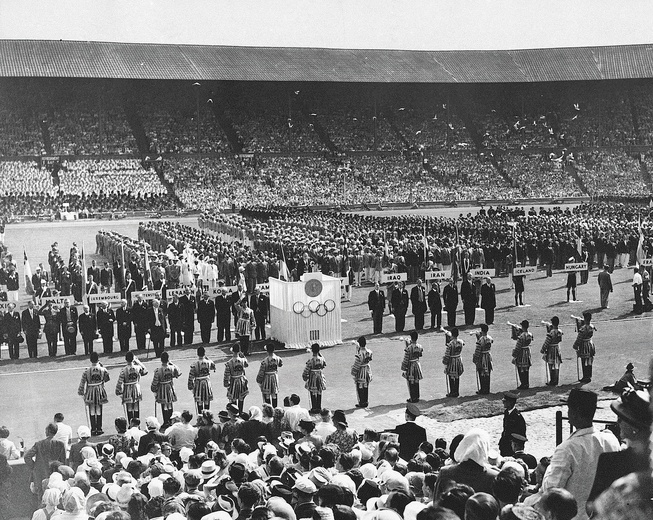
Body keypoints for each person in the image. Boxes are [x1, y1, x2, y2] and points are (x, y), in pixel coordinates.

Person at [526, 389, 619, 520]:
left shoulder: (567, 449)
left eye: (569, 409)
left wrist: (545, 471)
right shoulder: (611, 440)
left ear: (575, 413)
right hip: (603, 514)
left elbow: (551, 490)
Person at [587, 387, 652, 508]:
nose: (618, 423)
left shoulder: (611, 462)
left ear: (635, 428)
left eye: (621, 418)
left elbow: (593, 507)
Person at [23, 423, 66, 497]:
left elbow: (27, 456)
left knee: (41, 498)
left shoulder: (39, 444)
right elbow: (63, 461)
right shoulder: (61, 444)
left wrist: (34, 467)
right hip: (56, 475)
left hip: (41, 475)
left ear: (48, 431)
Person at [78, 352, 110, 436]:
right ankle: (99, 428)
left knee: (92, 408)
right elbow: (107, 378)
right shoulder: (103, 369)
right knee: (99, 408)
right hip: (99, 389)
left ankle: (93, 429)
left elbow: (82, 383)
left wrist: (81, 392)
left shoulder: (87, 370)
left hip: (90, 390)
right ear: (98, 359)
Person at [151, 351, 182, 428]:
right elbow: (179, 372)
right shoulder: (172, 368)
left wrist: (154, 389)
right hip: (170, 386)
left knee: (164, 405)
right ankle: (170, 421)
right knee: (170, 404)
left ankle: (166, 421)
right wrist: (171, 363)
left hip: (162, 387)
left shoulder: (158, 370)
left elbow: (155, 382)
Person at [115, 351, 148, 421]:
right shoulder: (138, 367)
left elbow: (119, 382)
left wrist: (118, 390)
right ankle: (137, 424)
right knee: (136, 406)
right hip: (136, 387)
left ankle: (131, 424)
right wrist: (138, 361)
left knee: (129, 406)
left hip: (127, 388)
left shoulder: (123, 370)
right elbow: (145, 371)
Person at [188, 346, 216, 414]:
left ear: (197, 354)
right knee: (207, 400)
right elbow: (213, 366)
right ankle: (207, 417)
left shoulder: (195, 364)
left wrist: (190, 385)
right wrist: (207, 358)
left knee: (199, 401)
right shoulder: (208, 362)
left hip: (198, 383)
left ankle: (201, 418)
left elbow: (191, 376)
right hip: (206, 382)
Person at [498, 392, 526, 457]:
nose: (503, 403)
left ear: (510, 402)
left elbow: (521, 434)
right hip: (505, 444)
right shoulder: (507, 412)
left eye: (505, 401)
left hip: (512, 447)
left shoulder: (517, 417)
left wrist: (516, 448)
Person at [302, 343, 327, 414]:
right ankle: (319, 407)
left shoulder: (311, 360)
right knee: (319, 391)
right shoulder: (322, 359)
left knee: (313, 391)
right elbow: (324, 364)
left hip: (313, 376)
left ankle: (314, 407)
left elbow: (306, 370)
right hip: (319, 375)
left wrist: (305, 376)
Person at [224, 343, 249, 413]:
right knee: (241, 398)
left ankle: (235, 412)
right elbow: (247, 365)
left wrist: (226, 383)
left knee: (233, 398)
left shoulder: (229, 362)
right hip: (241, 380)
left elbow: (227, 374)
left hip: (233, 380)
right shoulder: (243, 360)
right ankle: (240, 412)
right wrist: (243, 356)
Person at [257, 342, 283, 407]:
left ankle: (269, 410)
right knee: (274, 394)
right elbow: (280, 364)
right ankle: (275, 409)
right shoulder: (278, 358)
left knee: (267, 394)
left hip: (267, 378)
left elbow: (261, 372)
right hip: (274, 377)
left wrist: (259, 380)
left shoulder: (264, 361)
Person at [572, 312, 595, 383]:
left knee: (584, 361)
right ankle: (589, 375)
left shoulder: (583, 328)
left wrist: (575, 345)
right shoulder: (592, 326)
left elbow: (579, 338)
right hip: (590, 344)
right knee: (589, 361)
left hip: (584, 345)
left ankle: (585, 376)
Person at [401, 331, 423, 403]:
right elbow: (420, 355)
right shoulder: (420, 346)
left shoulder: (409, 348)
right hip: (417, 364)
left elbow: (406, 359)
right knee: (416, 380)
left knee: (411, 381)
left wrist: (404, 367)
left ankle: (412, 397)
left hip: (411, 365)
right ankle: (417, 397)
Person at [541, 317, 563, 386]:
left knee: (551, 365)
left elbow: (547, 342)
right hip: (557, 348)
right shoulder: (560, 331)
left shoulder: (551, 332)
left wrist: (543, 349)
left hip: (551, 349)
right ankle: (556, 380)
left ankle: (552, 380)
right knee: (556, 365)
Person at [351, 336, 372, 408]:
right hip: (367, 370)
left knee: (360, 387)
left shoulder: (359, 354)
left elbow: (357, 364)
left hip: (360, 371)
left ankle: (361, 402)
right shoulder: (369, 352)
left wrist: (353, 372)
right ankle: (365, 401)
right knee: (366, 386)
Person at [443, 327, 464, 398]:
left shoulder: (450, 344)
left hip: (452, 361)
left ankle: (452, 391)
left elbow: (447, 355)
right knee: (457, 376)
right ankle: (456, 391)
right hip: (458, 359)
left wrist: (445, 362)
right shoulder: (461, 341)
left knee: (451, 376)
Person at [472, 324, 493, 395]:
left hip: (482, 357)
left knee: (481, 373)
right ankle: (487, 389)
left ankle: (483, 389)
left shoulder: (480, 340)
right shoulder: (489, 338)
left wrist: (475, 359)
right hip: (488, 356)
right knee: (488, 373)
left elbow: (477, 350)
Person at [512, 320, 533, 390]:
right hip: (527, 351)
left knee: (521, 369)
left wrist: (514, 355)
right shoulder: (530, 334)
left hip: (521, 353)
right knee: (526, 369)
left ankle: (523, 383)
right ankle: (526, 383)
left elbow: (518, 347)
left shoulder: (521, 336)